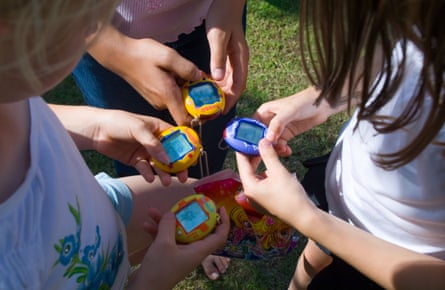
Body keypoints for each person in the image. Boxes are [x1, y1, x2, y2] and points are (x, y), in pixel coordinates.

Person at [0, 1, 230, 289]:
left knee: (207, 193)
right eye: (89, 21)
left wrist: (97, 128)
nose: (100, 31)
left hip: (96, 208)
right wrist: (150, 281)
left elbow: (31, 112)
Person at [235, 1, 445, 289]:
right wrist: (326, 96)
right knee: (315, 256)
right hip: (345, 199)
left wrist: (308, 218)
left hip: (387, 263)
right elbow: (402, 62)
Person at [72, 0, 249, 179]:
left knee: (207, 151)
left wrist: (231, 5)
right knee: (139, 160)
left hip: (212, 18)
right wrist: (111, 48)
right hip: (96, 34)